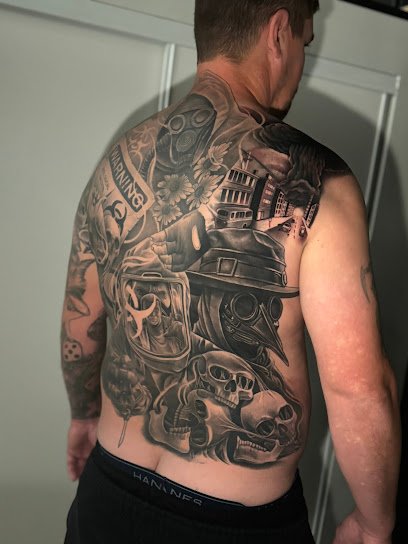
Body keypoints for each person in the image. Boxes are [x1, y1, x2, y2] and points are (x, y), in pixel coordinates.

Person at [61, 1, 401, 543]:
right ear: (279, 32)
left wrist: (83, 415)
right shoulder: (319, 184)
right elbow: (359, 390)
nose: (302, 62)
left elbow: (80, 320)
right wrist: (374, 519)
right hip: (233, 525)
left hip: (109, 490)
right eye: (306, 42)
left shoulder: (118, 159)